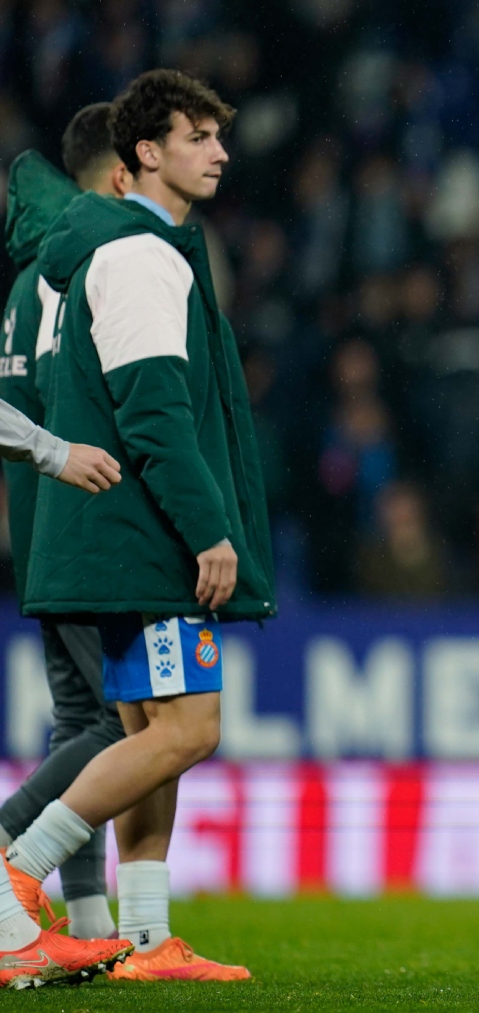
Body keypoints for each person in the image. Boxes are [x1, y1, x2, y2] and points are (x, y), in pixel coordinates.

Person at [1, 68, 274, 983]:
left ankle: (147, 941)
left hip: (112, 535)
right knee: (187, 728)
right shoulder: (140, 256)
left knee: (150, 728)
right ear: (143, 155)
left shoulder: (116, 253)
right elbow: (154, 413)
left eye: (219, 136)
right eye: (199, 137)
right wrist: (210, 530)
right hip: (146, 540)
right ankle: (15, 872)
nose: (220, 153)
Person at [0, 103, 133, 945]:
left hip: (37, 517)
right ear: (125, 168)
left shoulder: (25, 277)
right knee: (127, 727)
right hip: (88, 523)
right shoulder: (98, 259)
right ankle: (10, 839)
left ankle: (85, 916)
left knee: (79, 717)